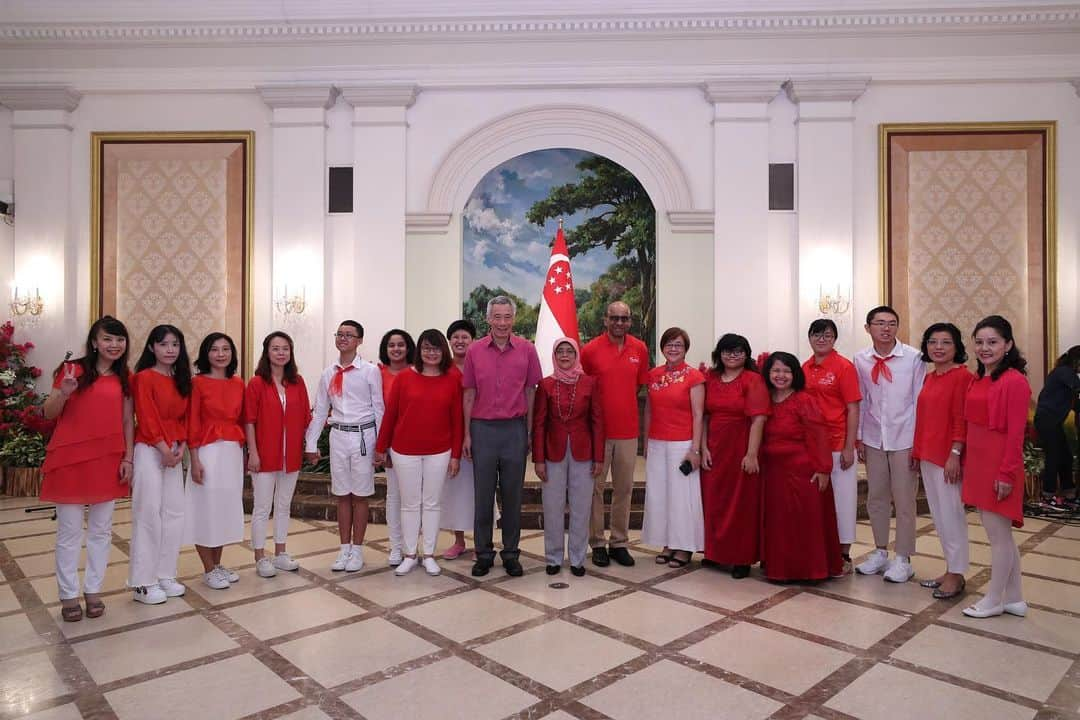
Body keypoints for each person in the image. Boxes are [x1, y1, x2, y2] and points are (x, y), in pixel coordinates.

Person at [41, 316, 134, 621]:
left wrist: (128, 458)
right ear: (94, 341)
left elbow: (126, 422)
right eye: (107, 339)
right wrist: (64, 392)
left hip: (108, 458)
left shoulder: (125, 377)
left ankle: (93, 590)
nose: (114, 345)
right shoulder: (73, 370)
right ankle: (68, 595)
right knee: (69, 532)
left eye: (119, 340)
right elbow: (48, 413)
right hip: (71, 458)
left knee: (101, 531)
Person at [462, 296, 542, 577]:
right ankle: (483, 553)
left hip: (514, 430)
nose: (502, 323)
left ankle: (511, 553)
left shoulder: (527, 350)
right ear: (488, 319)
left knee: (512, 497)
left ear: (514, 319)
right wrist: (466, 435)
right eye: (497, 317)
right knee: (482, 497)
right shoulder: (474, 351)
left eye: (507, 317)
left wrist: (529, 431)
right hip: (482, 430)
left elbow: (531, 393)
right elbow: (469, 393)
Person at [375, 329, 462, 576]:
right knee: (410, 503)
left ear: (443, 351)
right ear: (419, 351)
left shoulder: (452, 378)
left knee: (433, 503)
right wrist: (381, 448)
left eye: (436, 348)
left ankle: (430, 554)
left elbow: (457, 420)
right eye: (426, 348)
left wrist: (455, 455)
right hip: (404, 450)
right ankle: (410, 554)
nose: (431, 353)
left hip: (440, 450)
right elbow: (391, 415)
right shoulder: (404, 378)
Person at [961, 315, 1031, 618]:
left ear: (1008, 345)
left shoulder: (1014, 381)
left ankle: (993, 598)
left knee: (998, 536)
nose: (985, 348)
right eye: (979, 342)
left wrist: (1006, 473)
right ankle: (1015, 597)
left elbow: (1017, 434)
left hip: (1000, 466)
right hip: (978, 463)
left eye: (992, 342)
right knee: (1002, 535)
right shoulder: (981, 378)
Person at [854, 305, 926, 583]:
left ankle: (904, 558)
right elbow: (860, 400)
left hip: (905, 437)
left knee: (905, 499)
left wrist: (918, 442)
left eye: (891, 323)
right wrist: (859, 436)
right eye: (879, 323)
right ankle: (880, 551)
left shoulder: (913, 358)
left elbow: (920, 401)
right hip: (873, 437)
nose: (886, 328)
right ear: (868, 327)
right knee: (876, 498)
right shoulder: (860, 359)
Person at [759, 352, 842, 582]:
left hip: (804, 471)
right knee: (779, 523)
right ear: (768, 373)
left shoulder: (804, 400)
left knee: (805, 522)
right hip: (774, 472)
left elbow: (819, 435)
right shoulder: (763, 398)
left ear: (795, 374)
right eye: (776, 370)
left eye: (786, 371)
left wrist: (824, 468)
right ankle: (781, 570)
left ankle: (810, 570)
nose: (781, 375)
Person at [581, 301, 649, 568]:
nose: (619, 323)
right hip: (596, 433)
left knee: (624, 488)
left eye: (625, 319)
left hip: (628, 431)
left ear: (630, 321)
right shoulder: (590, 350)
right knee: (594, 490)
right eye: (615, 318)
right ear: (605, 319)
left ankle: (619, 542)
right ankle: (597, 543)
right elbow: (584, 389)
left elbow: (637, 388)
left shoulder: (639, 349)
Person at [128, 324, 191, 604]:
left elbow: (185, 418)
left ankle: (165, 574)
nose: (170, 350)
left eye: (175, 344)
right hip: (150, 450)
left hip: (175, 451)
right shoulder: (143, 378)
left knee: (174, 513)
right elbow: (147, 416)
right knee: (148, 513)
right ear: (152, 347)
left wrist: (181, 446)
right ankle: (143, 581)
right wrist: (164, 448)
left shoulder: (180, 379)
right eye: (163, 344)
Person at [912, 323, 973, 600]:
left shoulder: (962, 377)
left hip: (948, 457)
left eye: (946, 342)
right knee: (939, 516)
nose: (938, 347)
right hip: (928, 454)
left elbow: (962, 418)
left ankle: (957, 574)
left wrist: (955, 453)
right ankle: (951, 568)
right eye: (933, 341)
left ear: (957, 347)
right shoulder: (930, 376)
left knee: (952, 516)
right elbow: (923, 418)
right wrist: (917, 452)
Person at [533, 338, 604, 576]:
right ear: (554, 356)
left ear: (576, 355)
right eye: (560, 351)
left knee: (581, 507)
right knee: (552, 507)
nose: (565, 355)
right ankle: (553, 558)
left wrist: (599, 457)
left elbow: (597, 422)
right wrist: (538, 459)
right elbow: (539, 424)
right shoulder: (545, 385)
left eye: (569, 351)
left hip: (584, 452)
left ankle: (577, 559)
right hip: (552, 453)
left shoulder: (589, 383)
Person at [700, 333, 768, 579]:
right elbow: (704, 415)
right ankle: (715, 553)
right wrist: (703, 446)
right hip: (715, 447)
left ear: (746, 354)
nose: (733, 355)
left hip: (742, 446)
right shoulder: (711, 378)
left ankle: (741, 557)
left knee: (742, 503)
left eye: (739, 351)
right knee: (714, 500)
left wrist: (751, 454)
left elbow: (759, 418)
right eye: (728, 350)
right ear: (719, 354)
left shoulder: (753, 379)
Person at [245, 332, 312, 579]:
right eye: (276, 348)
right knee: (262, 507)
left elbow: (306, 416)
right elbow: (249, 421)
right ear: (267, 352)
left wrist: (310, 446)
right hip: (264, 455)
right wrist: (252, 452)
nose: (281, 353)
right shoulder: (256, 383)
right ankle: (260, 556)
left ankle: (281, 552)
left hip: (291, 455)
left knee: (284, 506)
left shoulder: (297, 382)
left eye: (285, 348)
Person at [184, 332, 246, 590]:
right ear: (205, 353)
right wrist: (195, 459)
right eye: (214, 349)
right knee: (205, 507)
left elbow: (243, 420)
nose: (221, 354)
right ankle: (208, 568)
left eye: (225, 349)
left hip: (231, 451)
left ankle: (218, 564)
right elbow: (193, 422)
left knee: (223, 508)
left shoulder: (238, 383)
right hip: (207, 451)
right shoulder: (196, 383)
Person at [641, 327, 705, 568]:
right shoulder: (654, 375)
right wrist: (646, 441)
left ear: (685, 348)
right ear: (662, 348)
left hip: (683, 444)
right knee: (661, 495)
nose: (673, 349)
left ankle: (684, 546)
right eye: (669, 344)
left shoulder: (694, 376)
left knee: (682, 497)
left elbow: (699, 415)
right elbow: (648, 410)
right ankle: (668, 542)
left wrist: (695, 449)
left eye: (678, 344)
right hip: (657, 442)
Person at [802, 319, 861, 574]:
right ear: (810, 338)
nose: (821, 339)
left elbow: (853, 407)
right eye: (816, 335)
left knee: (843, 500)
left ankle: (844, 554)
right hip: (811, 445)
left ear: (835, 338)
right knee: (817, 500)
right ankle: (820, 549)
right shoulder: (804, 367)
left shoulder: (844, 367)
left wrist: (850, 446)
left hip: (838, 443)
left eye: (827, 335)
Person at [377, 328, 416, 566]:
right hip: (389, 442)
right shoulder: (376, 373)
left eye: (401, 344)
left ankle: (413, 545)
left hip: (414, 443)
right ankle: (396, 546)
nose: (396, 349)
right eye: (391, 345)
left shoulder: (417, 372)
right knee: (394, 496)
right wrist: (383, 447)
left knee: (414, 498)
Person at [440, 319, 478, 559]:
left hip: (480, 435)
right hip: (450, 437)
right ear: (449, 341)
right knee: (454, 490)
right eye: (455, 337)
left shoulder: (480, 365)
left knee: (480, 491)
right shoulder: (444, 370)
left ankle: (482, 541)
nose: (460, 341)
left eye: (465, 337)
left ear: (473, 340)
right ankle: (459, 540)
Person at [1034, 345, 1080, 506]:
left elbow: (1074, 402)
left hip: (1052, 421)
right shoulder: (1065, 372)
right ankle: (1047, 497)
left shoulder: (1066, 374)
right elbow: (1077, 387)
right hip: (1047, 420)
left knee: (1065, 456)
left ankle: (1069, 493)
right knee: (1053, 456)